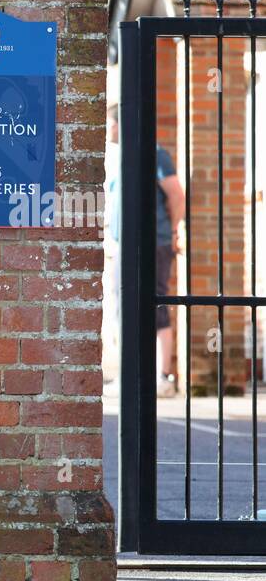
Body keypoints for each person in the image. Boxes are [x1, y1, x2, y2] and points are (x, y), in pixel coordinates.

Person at [105, 103, 185, 397]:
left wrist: (174, 230)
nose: (108, 129)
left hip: (154, 242)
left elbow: (176, 194)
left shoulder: (154, 152)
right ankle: (131, 376)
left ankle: (163, 377)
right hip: (124, 245)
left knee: (157, 303)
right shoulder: (121, 158)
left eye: (111, 123)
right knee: (123, 305)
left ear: (121, 124)